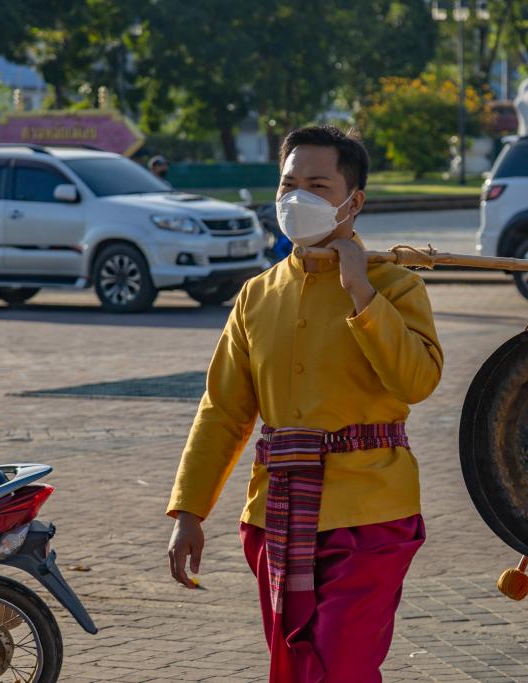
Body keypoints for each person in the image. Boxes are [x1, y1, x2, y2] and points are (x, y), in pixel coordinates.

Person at [165, 125, 443, 682]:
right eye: (288, 185)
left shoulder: (395, 286)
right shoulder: (257, 294)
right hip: (276, 512)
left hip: (372, 516)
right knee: (295, 667)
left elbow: (417, 381)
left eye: (318, 186)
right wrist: (190, 512)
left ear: (353, 202)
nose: (298, 199)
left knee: (342, 667)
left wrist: (361, 291)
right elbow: (223, 411)